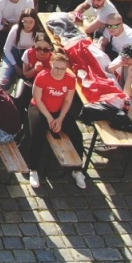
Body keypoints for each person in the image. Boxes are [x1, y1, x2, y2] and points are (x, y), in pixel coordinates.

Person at [25, 51, 86, 190]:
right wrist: (50, 118)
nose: (59, 72)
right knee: (37, 136)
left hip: (59, 111)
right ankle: (33, 170)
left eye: (63, 69)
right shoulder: (42, 77)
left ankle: (78, 170)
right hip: (40, 109)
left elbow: (68, 100)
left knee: (77, 135)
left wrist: (60, 119)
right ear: (51, 65)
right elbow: (38, 99)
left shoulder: (70, 79)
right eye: (56, 68)